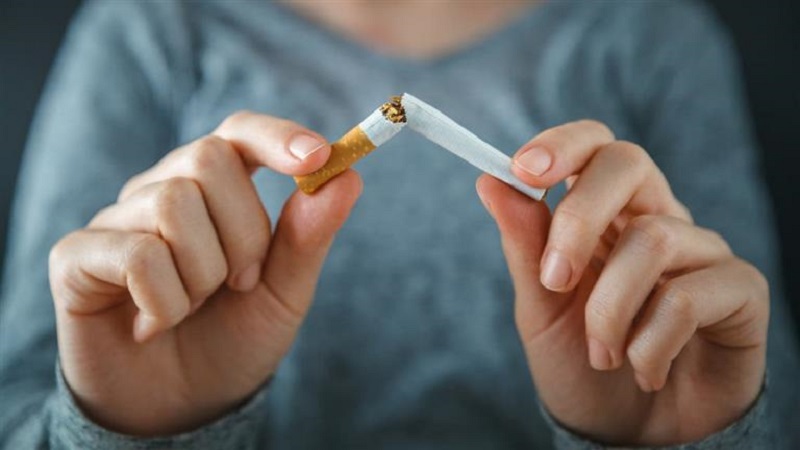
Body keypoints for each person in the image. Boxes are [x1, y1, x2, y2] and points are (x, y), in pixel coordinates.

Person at [1, 0, 798, 448]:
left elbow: (763, 390)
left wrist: (685, 438)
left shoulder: (648, 34)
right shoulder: (152, 27)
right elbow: (19, 404)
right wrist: (129, 428)